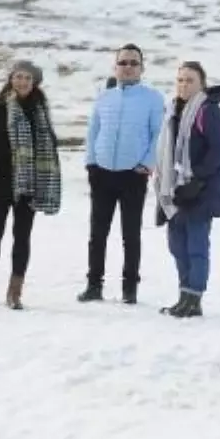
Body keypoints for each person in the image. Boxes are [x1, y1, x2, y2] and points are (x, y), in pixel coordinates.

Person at [0, 61, 63, 309]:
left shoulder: (40, 112)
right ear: (11, 79)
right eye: (18, 76)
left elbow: (50, 144)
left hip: (29, 185)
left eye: (27, 78)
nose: (22, 82)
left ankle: (14, 294)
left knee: (22, 238)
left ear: (34, 83)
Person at [79, 44, 165, 305]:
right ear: (115, 66)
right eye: (123, 62)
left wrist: (146, 165)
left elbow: (158, 135)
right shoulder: (104, 96)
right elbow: (93, 130)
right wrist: (91, 163)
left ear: (142, 68)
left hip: (133, 175)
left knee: (131, 234)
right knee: (97, 233)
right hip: (102, 173)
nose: (128, 67)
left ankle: (130, 288)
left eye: (133, 63)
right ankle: (94, 285)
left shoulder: (152, 98)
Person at [154, 62, 220, 318]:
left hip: (200, 191)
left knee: (196, 246)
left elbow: (217, 151)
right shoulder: (172, 111)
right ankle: (183, 295)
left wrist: (197, 179)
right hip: (175, 190)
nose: (184, 85)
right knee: (177, 246)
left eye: (190, 80)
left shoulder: (208, 111)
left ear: (201, 84)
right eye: (180, 80)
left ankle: (194, 299)